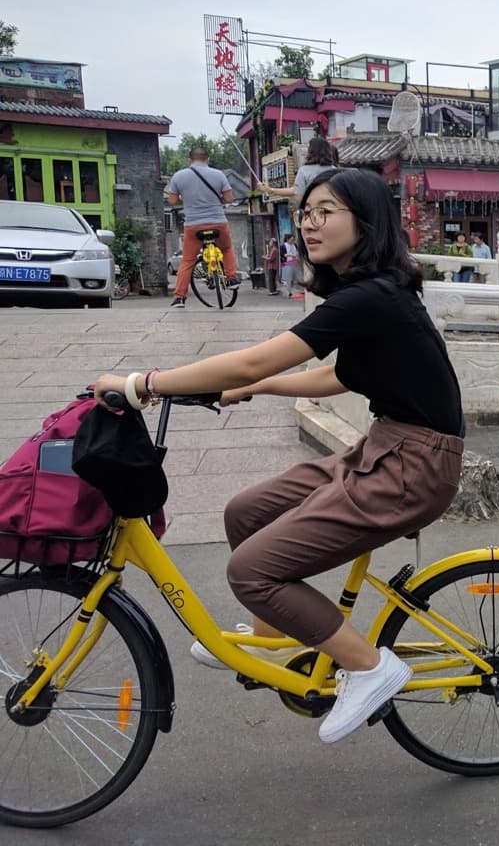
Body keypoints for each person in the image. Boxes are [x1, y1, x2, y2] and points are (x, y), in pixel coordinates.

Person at [94, 169, 464, 743]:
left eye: (326, 212)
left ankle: (370, 667)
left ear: (365, 223)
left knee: (251, 571)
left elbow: (251, 360)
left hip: (413, 468)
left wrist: (145, 382)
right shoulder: (364, 294)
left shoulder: (372, 296)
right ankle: (272, 640)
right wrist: (259, 389)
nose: (310, 225)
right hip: (385, 448)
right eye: (307, 213)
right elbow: (339, 376)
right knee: (246, 511)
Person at [166, 147, 240, 308]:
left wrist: (187, 201)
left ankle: (179, 298)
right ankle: (232, 278)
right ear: (208, 159)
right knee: (226, 249)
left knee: (187, 261)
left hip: (193, 225)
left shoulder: (179, 176)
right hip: (218, 223)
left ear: (189, 160)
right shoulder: (218, 175)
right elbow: (228, 198)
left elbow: (171, 201)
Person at [260, 137, 340, 203]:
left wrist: (270, 189)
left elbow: (298, 196)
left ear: (311, 151)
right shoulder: (335, 171)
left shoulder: (304, 171)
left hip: (313, 212)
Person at [281, 233, 299, 298]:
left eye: (293, 240)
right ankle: (289, 292)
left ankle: (291, 289)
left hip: (295, 263)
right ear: (288, 239)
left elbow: (297, 252)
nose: (292, 241)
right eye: (291, 239)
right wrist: (291, 255)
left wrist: (296, 255)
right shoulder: (284, 246)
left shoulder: (295, 245)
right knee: (289, 278)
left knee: (294, 278)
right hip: (288, 263)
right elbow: (283, 255)